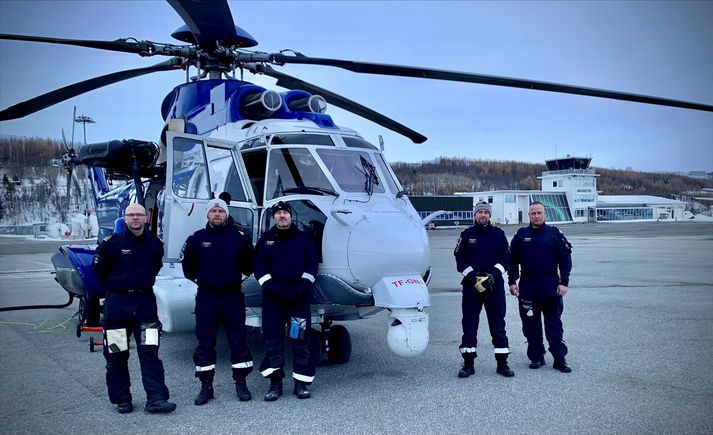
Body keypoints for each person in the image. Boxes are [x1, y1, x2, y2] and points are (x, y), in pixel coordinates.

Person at [92, 203, 176, 414]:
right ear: (125, 218)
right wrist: (120, 286)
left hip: (145, 305)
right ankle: (122, 399)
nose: (136, 219)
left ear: (146, 218)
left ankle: (156, 399)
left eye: (139, 215)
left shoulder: (155, 244)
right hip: (118, 308)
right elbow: (99, 271)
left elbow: (155, 267)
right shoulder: (111, 244)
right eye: (131, 215)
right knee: (116, 354)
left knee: (150, 353)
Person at [181, 197, 255, 405]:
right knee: (205, 343)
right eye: (213, 211)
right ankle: (206, 387)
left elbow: (249, 265)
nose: (217, 214)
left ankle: (241, 383)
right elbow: (188, 269)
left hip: (232, 296)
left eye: (221, 211)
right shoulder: (196, 239)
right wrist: (206, 281)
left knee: (237, 341)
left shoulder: (239, 238)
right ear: (207, 214)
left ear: (226, 214)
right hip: (207, 297)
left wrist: (233, 280)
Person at [254, 201, 319, 401]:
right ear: (274, 217)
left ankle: (301, 385)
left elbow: (312, 265)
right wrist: (272, 288)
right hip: (273, 302)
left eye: (285, 213)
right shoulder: (266, 240)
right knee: (273, 342)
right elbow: (259, 268)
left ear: (291, 216)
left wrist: (300, 288)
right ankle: (275, 384)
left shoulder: (304, 239)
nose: (282, 216)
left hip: (297, 301)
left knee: (299, 340)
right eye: (279, 213)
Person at [508, 201, 573, 373]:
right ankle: (536, 357)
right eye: (533, 213)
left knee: (554, 325)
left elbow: (565, 259)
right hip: (528, 286)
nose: (536, 216)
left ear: (545, 214)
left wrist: (564, 282)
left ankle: (559, 359)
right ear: (528, 215)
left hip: (551, 286)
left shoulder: (554, 234)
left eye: (539, 213)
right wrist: (512, 281)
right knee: (531, 324)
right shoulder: (521, 235)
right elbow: (512, 260)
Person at [454, 201, 515, 378]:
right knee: (469, 325)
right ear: (475, 215)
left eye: (486, 213)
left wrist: (493, 276)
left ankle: (502, 364)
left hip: (493, 286)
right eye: (480, 212)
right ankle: (468, 364)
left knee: (498, 324)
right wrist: (474, 277)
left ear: (489, 215)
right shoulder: (466, 235)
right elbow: (460, 261)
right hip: (471, 286)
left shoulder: (498, 234)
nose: (483, 215)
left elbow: (506, 258)